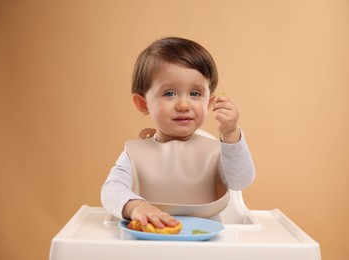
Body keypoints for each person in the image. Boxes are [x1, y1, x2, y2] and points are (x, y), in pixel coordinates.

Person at [101, 37, 255, 230]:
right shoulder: (135, 155)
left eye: (195, 93)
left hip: (205, 243)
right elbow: (111, 190)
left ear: (209, 103)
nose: (183, 105)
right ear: (143, 104)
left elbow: (241, 180)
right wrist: (136, 206)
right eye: (169, 93)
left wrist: (231, 134)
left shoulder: (215, 151)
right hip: (148, 242)